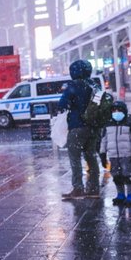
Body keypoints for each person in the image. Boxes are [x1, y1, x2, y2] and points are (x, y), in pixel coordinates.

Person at [58, 59, 100, 199]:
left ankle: (78, 188)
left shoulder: (73, 85)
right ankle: (94, 188)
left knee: (75, 158)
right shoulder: (95, 85)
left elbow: (62, 104)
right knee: (91, 157)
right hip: (93, 127)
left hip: (77, 126)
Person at [99, 101, 131, 207]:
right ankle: (120, 194)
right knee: (116, 176)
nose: (116, 113)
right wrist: (103, 155)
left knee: (129, 176)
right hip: (113, 156)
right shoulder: (107, 126)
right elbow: (103, 141)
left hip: (126, 156)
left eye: (119, 110)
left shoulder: (129, 126)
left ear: (124, 112)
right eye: (114, 111)